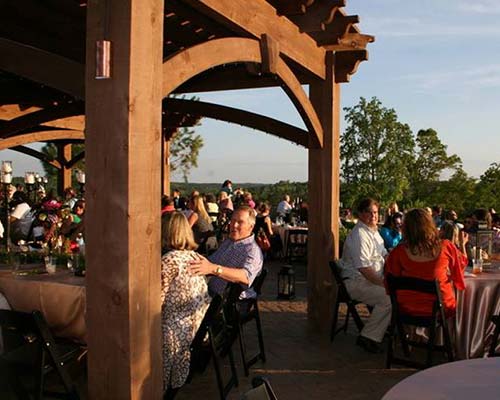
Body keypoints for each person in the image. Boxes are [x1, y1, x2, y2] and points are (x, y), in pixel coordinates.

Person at [161, 212, 211, 394]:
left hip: (176, 333)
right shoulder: (195, 257)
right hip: (196, 329)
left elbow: (154, 301)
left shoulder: (169, 260)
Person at [385, 208, 466, 318]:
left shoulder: (398, 252)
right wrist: (463, 245)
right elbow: (460, 268)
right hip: (439, 308)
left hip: (406, 306)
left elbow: (390, 279)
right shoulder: (446, 247)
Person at [339, 198, 390, 353]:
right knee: (389, 297)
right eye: (369, 212)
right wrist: (384, 283)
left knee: (398, 292)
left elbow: (384, 255)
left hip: (371, 279)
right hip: (356, 282)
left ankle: (381, 329)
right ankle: (368, 337)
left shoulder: (374, 232)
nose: (373, 216)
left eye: (375, 212)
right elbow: (364, 268)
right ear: (360, 214)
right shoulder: (359, 235)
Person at [188, 205, 263, 297]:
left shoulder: (252, 250)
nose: (234, 225)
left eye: (240, 222)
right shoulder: (229, 241)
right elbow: (211, 261)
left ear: (251, 227)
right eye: (233, 221)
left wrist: (214, 269)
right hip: (208, 291)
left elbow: (246, 277)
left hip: (225, 303)